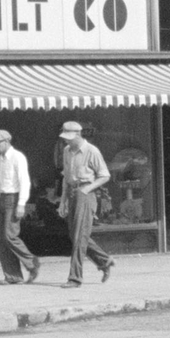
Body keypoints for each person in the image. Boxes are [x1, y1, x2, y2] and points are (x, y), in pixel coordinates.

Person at [57, 119, 115, 287]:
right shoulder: (67, 151)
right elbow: (66, 179)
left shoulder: (91, 151)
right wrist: (63, 202)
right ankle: (104, 260)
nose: (66, 141)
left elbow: (105, 175)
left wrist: (87, 188)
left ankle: (75, 278)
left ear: (78, 134)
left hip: (85, 194)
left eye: (69, 137)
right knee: (76, 235)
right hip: (72, 192)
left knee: (78, 237)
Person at [0, 129, 39, 284]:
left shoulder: (18, 157)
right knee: (2, 240)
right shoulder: (1, 159)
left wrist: (21, 204)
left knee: (10, 235)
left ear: (5, 142)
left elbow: (25, 181)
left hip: (14, 198)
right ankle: (12, 276)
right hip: (3, 197)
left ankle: (31, 262)